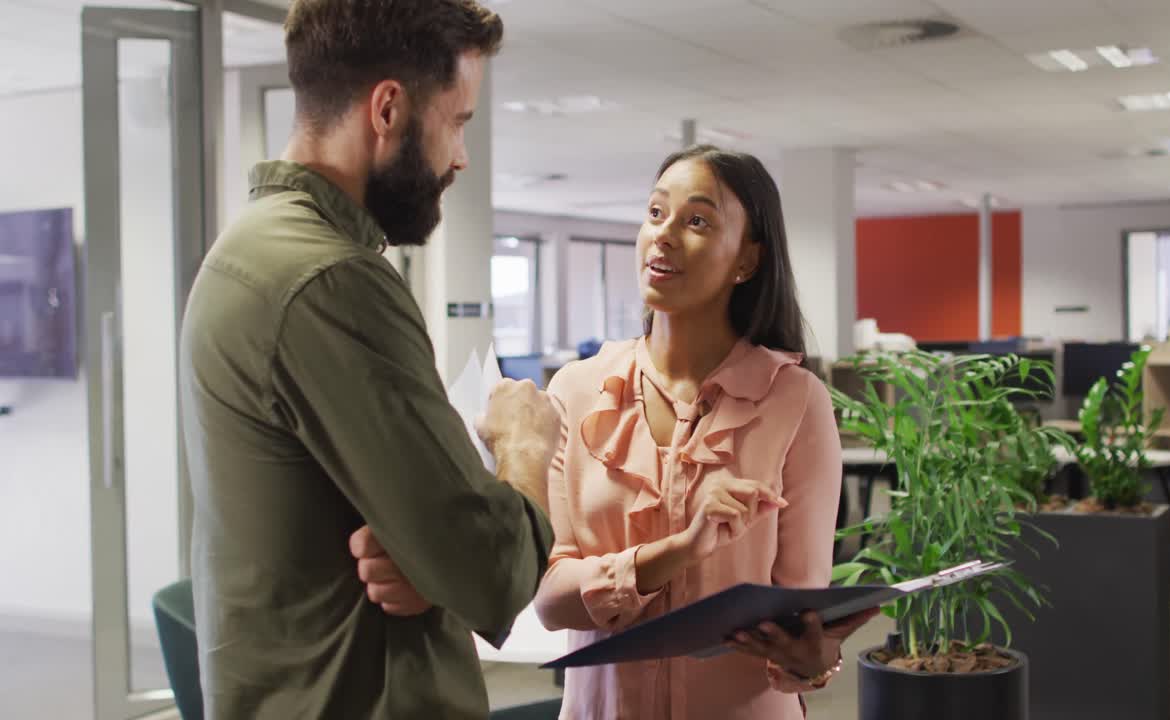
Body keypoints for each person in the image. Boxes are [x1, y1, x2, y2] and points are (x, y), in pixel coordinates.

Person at [352, 146, 878, 718]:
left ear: (747, 260)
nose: (664, 235)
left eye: (697, 221)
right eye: (656, 213)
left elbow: (798, 618)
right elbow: (550, 598)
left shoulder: (795, 402)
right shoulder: (578, 391)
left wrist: (811, 659)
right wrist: (680, 550)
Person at [177, 1, 558, 718]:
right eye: (457, 122)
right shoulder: (331, 280)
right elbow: (490, 572)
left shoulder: (248, 251)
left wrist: (427, 553)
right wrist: (527, 447)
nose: (460, 157)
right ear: (388, 109)